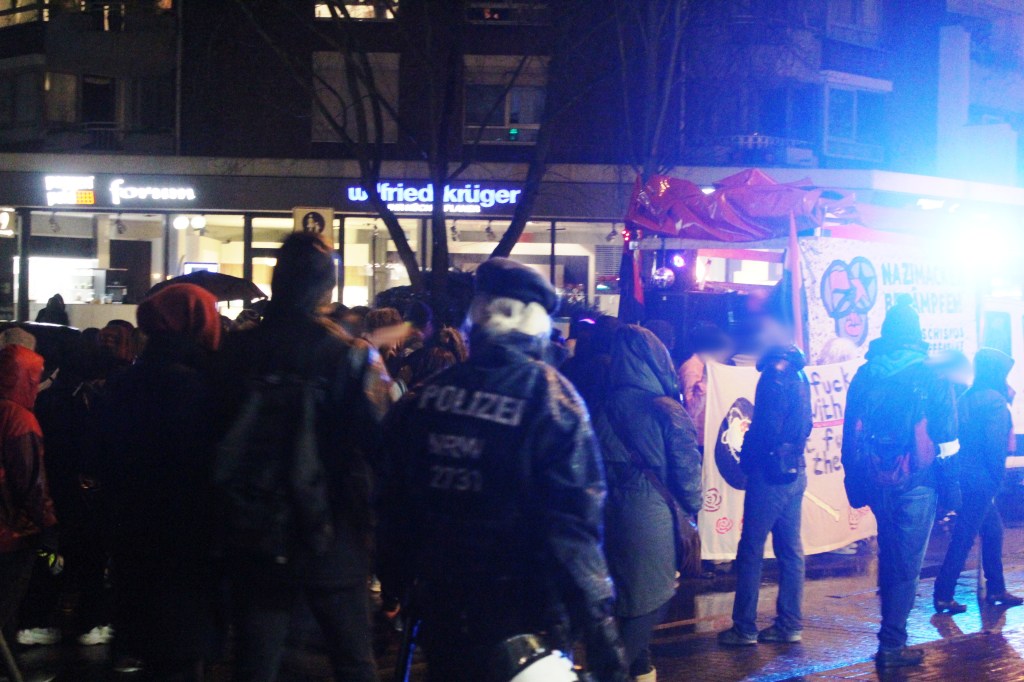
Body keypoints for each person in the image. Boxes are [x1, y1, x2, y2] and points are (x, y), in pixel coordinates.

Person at [378, 257, 628, 682]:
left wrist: (397, 587)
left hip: (443, 614)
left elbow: (392, 505)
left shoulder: (426, 397)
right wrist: (602, 634)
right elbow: (573, 531)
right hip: (526, 621)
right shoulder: (551, 401)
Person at [217, 232, 391, 682]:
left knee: (256, 661)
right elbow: (383, 439)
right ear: (326, 287)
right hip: (331, 527)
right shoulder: (351, 355)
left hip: (253, 528)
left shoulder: (236, 350)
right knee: (353, 658)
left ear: (277, 281)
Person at [98, 284, 223, 680]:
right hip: (188, 537)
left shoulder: (124, 382)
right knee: (181, 652)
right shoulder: (201, 384)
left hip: (133, 530)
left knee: (155, 651)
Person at [842, 300, 961, 668]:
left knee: (889, 554)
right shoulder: (932, 373)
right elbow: (948, 435)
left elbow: (850, 433)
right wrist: (951, 488)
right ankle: (892, 643)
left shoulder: (866, 374)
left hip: (877, 477)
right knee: (906, 565)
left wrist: (853, 480)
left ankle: (890, 636)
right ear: (916, 332)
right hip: (918, 481)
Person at [593, 325, 701, 681]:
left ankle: (639, 671)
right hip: (652, 521)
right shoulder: (666, 410)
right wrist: (691, 510)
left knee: (625, 603)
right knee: (648, 606)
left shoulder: (601, 406)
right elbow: (688, 476)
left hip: (610, 519)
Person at [718, 345, 812, 647]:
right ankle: (790, 623)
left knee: (751, 549)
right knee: (790, 550)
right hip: (794, 468)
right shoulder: (800, 376)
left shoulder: (773, 376)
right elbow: (806, 425)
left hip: (769, 473)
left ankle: (744, 627)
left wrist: (748, 460)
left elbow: (765, 429)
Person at [934, 348, 1023, 613]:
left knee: (993, 530)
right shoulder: (994, 401)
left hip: (964, 476)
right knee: (964, 536)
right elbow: (995, 446)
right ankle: (943, 594)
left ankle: (996, 588)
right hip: (982, 480)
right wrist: (996, 480)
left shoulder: (967, 397)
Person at [0, 344, 58, 644]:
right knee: (6, 607)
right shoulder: (20, 419)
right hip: (12, 532)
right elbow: (31, 481)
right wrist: (48, 525)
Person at [678, 323, 731, 449]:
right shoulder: (692, 368)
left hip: (711, 435)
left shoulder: (710, 366)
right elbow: (690, 411)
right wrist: (705, 381)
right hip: (699, 439)